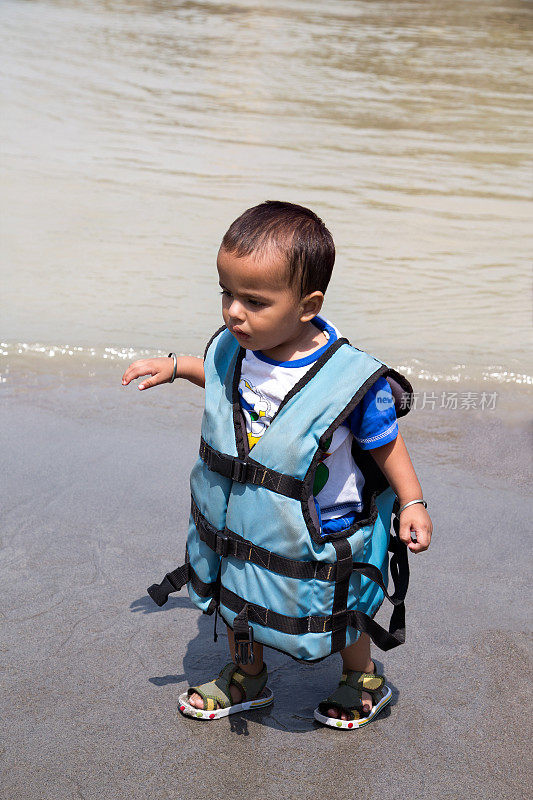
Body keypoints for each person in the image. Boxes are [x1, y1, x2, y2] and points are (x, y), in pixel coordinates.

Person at [122, 201, 432, 728]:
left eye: (254, 301)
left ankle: (362, 678)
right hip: (251, 514)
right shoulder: (240, 349)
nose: (233, 312)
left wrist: (413, 501)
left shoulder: (351, 381)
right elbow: (222, 377)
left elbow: (385, 444)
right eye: (226, 293)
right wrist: (177, 367)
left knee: (341, 608)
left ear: (308, 305)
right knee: (241, 590)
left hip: (327, 519)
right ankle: (248, 677)